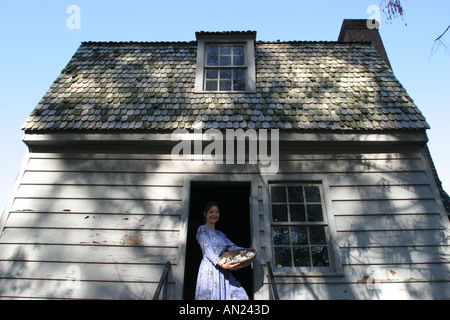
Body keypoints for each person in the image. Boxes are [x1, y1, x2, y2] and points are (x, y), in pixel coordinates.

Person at [195, 201, 249, 300]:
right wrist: (221, 263)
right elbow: (208, 250)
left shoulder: (221, 234)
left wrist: (249, 251)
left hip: (223, 269)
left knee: (241, 296)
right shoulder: (202, 230)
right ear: (205, 214)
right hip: (210, 268)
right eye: (211, 212)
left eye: (217, 212)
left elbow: (232, 247)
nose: (214, 214)